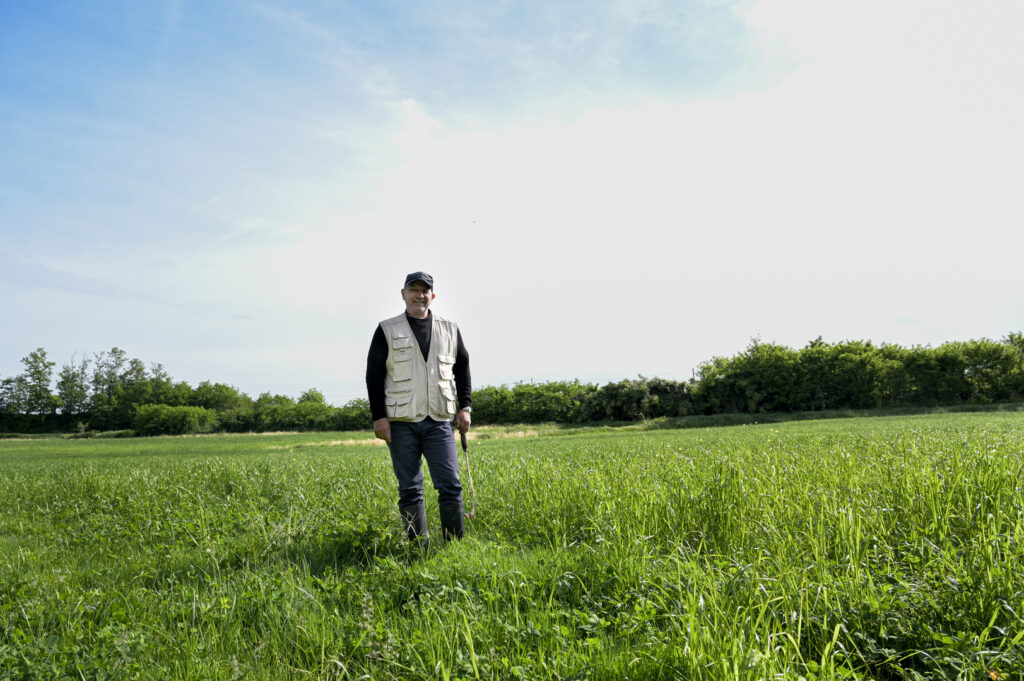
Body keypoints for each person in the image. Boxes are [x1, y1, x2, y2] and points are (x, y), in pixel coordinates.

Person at [365, 271, 472, 545]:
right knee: (410, 489)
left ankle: (454, 548)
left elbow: (462, 367)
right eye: (414, 289)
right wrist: (379, 416)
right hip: (401, 423)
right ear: (403, 293)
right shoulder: (387, 329)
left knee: (450, 485)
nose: (419, 295)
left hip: (439, 421)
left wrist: (465, 407)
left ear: (432, 296)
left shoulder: (449, 328)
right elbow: (373, 374)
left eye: (425, 291)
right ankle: (418, 548)